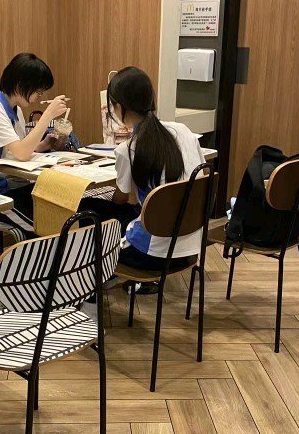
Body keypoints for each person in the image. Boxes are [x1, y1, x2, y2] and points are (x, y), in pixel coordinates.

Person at [80, 66, 206, 284]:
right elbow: (201, 176)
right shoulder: (184, 131)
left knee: (87, 210)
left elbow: (121, 198)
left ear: (118, 108)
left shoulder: (128, 149)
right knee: (132, 211)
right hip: (191, 248)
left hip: (151, 255)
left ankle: (93, 288)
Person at [0, 53, 68, 236]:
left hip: (15, 184)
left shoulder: (16, 111)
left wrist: (42, 145)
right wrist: (47, 115)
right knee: (47, 225)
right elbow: (22, 153)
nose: (39, 96)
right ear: (21, 84)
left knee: (58, 210)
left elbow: (17, 150)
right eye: (38, 91)